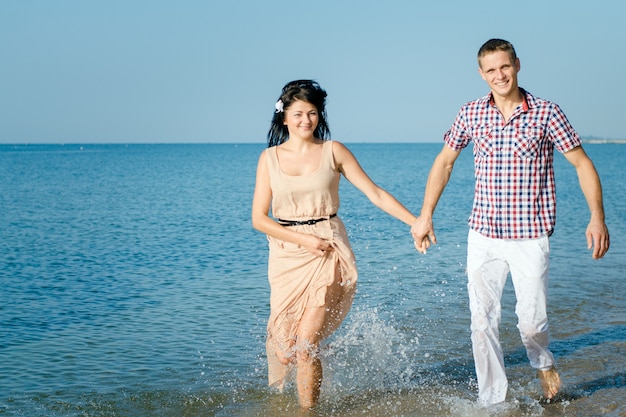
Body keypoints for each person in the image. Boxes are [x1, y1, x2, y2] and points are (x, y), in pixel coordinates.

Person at [411, 39, 610, 406]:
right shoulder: (471, 113)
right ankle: (493, 400)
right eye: (491, 70)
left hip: (529, 235)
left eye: (505, 66)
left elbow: (582, 164)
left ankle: (543, 360)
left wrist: (596, 217)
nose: (499, 75)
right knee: (481, 321)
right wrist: (425, 216)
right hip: (483, 233)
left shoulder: (547, 113)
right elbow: (444, 162)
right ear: (481, 74)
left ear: (517, 64)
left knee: (531, 322)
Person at [252, 80, 417, 409]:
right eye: (298, 113)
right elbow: (259, 219)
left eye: (312, 113)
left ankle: (307, 412)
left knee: (304, 344)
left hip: (328, 250)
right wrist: (302, 239)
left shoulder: (334, 151)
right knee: (286, 350)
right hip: (287, 255)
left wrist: (416, 222)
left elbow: (376, 193)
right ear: (284, 117)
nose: (305, 120)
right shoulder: (269, 158)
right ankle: (324, 363)